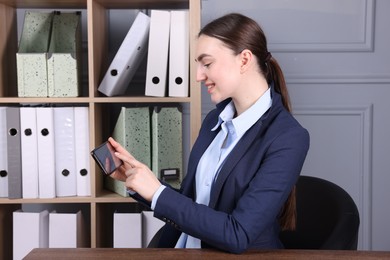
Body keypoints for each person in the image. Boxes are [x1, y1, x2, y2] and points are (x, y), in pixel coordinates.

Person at [108, 12, 310, 254]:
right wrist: (139, 182)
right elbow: (194, 204)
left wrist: (158, 193)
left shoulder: (288, 138)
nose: (198, 76)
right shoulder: (216, 120)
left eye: (207, 63)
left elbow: (238, 233)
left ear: (244, 60)